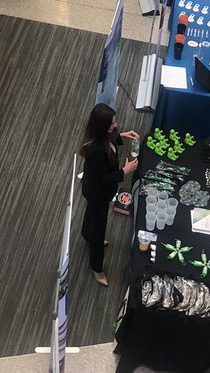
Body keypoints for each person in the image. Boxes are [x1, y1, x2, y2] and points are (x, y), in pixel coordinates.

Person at [78, 103, 139, 286]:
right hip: (98, 194)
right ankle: (97, 269)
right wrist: (125, 171)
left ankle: (85, 234)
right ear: (101, 126)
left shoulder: (105, 135)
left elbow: (111, 140)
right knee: (99, 230)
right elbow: (103, 179)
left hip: (97, 192)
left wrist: (122, 135)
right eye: (112, 124)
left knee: (91, 217)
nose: (115, 126)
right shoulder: (95, 151)